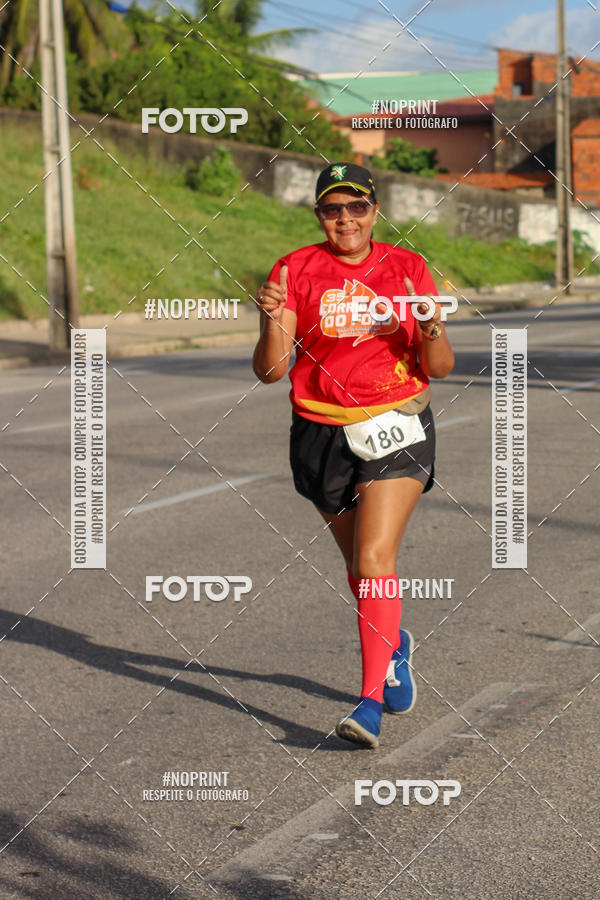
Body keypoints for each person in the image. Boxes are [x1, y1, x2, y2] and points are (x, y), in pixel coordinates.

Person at [252, 162, 454, 749]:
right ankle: (395, 644)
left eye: (357, 206)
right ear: (320, 215)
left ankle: (367, 704)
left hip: (397, 422)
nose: (346, 219)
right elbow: (270, 371)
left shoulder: (407, 267)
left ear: (375, 211)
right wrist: (269, 323)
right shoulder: (295, 269)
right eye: (332, 209)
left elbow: (438, 367)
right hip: (320, 432)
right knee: (360, 569)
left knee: (373, 559)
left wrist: (431, 326)